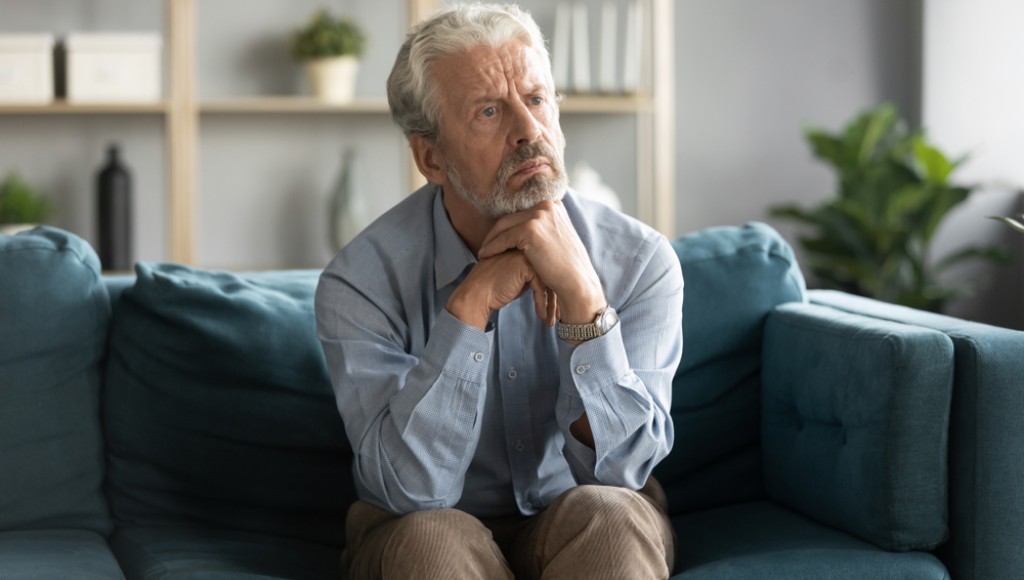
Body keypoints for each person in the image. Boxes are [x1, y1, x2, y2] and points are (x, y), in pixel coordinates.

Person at [315, 3, 683, 578]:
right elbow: (411, 490)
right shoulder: (360, 282)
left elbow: (624, 470)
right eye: (489, 110)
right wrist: (468, 309)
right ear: (431, 156)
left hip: (577, 511)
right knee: (431, 539)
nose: (529, 131)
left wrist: (586, 304)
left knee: (612, 516)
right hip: (422, 523)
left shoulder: (640, 262)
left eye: (537, 99)